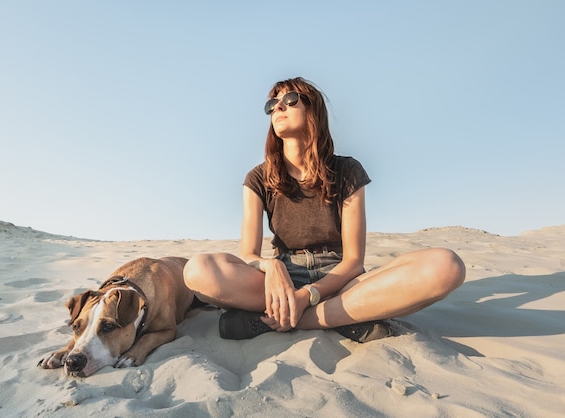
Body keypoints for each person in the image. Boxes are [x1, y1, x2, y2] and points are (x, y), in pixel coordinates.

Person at [183, 77, 465, 342]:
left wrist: (309, 295)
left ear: (313, 110)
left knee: (445, 266)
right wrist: (272, 266)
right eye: (272, 104)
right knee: (198, 270)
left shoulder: (347, 171)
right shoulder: (258, 178)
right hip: (284, 277)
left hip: (341, 279)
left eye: (290, 99)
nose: (278, 107)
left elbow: (353, 261)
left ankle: (298, 320)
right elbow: (248, 255)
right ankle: (342, 317)